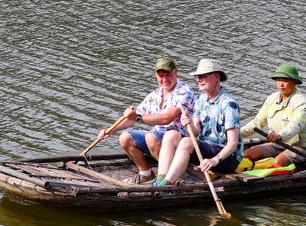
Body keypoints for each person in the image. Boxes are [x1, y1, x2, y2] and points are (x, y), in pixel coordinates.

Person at [98, 56, 195, 184]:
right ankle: (146, 174)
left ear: (175, 72)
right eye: (161, 76)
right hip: (157, 136)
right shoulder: (154, 95)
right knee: (125, 137)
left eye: (168, 75)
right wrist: (110, 130)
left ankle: (169, 177)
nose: (165, 79)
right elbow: (133, 118)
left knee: (151, 137)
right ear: (156, 75)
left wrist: (137, 118)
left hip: (178, 139)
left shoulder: (184, 92)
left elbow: (166, 118)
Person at [155, 59, 243, 186]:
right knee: (171, 135)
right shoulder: (201, 99)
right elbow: (196, 132)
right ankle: (160, 180)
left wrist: (214, 160)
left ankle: (165, 185)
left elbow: (233, 144)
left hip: (226, 158)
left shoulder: (229, 105)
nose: (198, 79)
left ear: (216, 77)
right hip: (206, 150)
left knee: (186, 142)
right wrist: (189, 123)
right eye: (197, 77)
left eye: (203, 76)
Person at [240, 64, 306, 168]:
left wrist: (279, 136)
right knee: (246, 155)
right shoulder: (271, 99)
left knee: (276, 163)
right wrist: (236, 134)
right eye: (279, 80)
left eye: (285, 81)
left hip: (298, 148)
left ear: (295, 83)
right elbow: (257, 123)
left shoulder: (301, 101)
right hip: (276, 145)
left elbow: (296, 126)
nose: (281, 84)